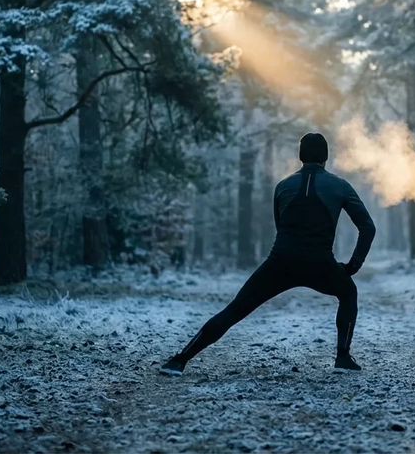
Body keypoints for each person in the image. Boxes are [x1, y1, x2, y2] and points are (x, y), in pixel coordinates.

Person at [160, 132, 376, 375]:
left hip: (280, 263)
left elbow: (280, 224)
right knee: (348, 292)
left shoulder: (283, 186)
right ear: (326, 157)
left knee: (234, 310)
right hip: (320, 264)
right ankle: (343, 359)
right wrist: (352, 266)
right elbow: (368, 227)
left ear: (300, 156)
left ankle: (179, 360)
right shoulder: (340, 186)